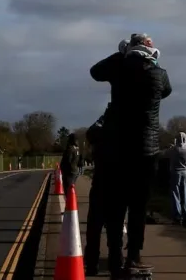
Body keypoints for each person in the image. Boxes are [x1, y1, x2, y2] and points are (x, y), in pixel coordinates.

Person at [90, 33, 172, 275]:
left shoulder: (118, 67)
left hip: (117, 149)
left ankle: (115, 256)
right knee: (138, 207)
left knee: (116, 206)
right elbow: (166, 91)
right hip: (146, 150)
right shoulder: (159, 73)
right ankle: (134, 257)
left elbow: (95, 72)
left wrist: (121, 53)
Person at [84, 104, 109, 275]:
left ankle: (92, 264)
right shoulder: (124, 132)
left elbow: (90, 133)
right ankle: (116, 263)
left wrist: (103, 117)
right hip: (118, 186)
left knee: (94, 228)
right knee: (114, 230)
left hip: (100, 184)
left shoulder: (99, 134)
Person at [168, 131, 186, 225]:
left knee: (175, 193)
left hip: (175, 172)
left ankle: (178, 216)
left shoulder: (173, 149)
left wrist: (173, 146)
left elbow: (165, 154)